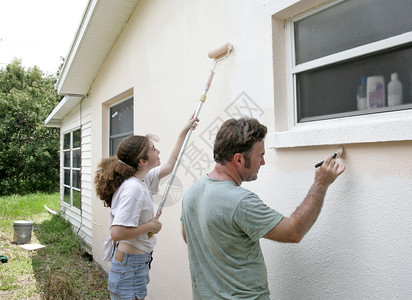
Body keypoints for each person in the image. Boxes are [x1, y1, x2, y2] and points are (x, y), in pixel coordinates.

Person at [181, 117, 345, 300]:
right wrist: (320, 184)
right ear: (239, 159)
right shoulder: (240, 202)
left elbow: (189, 236)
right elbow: (294, 232)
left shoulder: (191, 193)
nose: (263, 162)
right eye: (260, 156)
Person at [95, 114, 198, 300]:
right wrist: (151, 226)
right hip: (130, 268)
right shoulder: (133, 188)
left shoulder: (142, 180)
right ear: (142, 161)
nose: (158, 151)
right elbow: (117, 233)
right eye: (153, 149)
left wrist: (184, 131)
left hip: (133, 265)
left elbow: (170, 165)